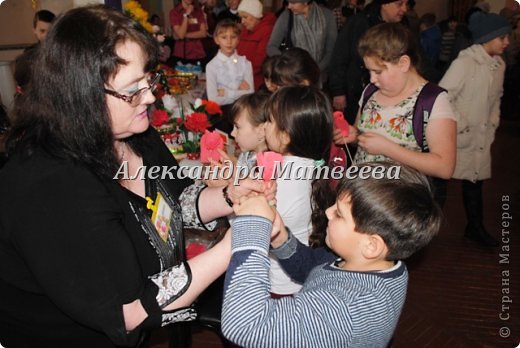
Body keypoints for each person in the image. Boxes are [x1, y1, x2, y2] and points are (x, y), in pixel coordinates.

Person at [0, 6, 274, 347]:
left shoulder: (134, 133)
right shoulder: (52, 183)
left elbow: (176, 200)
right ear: (82, 95)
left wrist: (230, 197)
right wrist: (242, 237)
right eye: (133, 89)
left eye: (149, 79)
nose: (150, 95)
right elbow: (131, 309)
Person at [221, 162, 442, 347]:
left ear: (371, 245)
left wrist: (253, 226)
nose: (327, 212)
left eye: (339, 214)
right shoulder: (374, 263)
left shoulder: (345, 310)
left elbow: (245, 324)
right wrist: (280, 239)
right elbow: (313, 270)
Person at [338, 23, 456, 202]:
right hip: (363, 195)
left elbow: (444, 167)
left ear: (403, 63)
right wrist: (354, 136)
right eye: (368, 71)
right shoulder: (371, 91)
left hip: (399, 204)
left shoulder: (432, 100)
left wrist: (388, 148)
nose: (372, 79)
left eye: (378, 71)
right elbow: (362, 138)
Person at [439, 12, 511, 247]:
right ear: (487, 38)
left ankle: (475, 227)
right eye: (502, 37)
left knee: (475, 182)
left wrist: (493, 121)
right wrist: (463, 123)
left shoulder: (499, 65)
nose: (507, 42)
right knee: (440, 183)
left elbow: (497, 97)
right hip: (457, 135)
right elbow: (443, 95)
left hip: (481, 136)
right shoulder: (465, 62)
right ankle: (425, 229)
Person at [263, 86, 334, 295]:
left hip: (282, 284)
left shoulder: (286, 179)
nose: (264, 126)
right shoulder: (310, 165)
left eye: (269, 120)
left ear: (285, 136)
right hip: (301, 274)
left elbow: (258, 228)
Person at [328, 0, 409, 125]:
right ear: (384, 3)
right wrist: (338, 90)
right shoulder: (358, 22)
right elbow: (340, 57)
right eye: (399, 4)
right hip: (356, 93)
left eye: (406, 4)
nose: (404, 9)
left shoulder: (405, 27)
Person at [266, 0, 337, 82]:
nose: (289, 6)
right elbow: (271, 47)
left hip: (320, 76)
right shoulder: (286, 16)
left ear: (306, 2)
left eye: (293, 3)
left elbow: (331, 50)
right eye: (288, 2)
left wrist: (315, 70)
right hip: (293, 77)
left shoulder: (327, 15)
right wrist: (289, 65)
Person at [205, 19, 254, 106]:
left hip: (242, 110)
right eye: (224, 37)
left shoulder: (245, 63)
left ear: (238, 39)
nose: (229, 42)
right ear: (216, 40)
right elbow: (213, 100)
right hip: (221, 113)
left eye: (233, 37)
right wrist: (239, 90)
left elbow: (250, 94)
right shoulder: (211, 66)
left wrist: (226, 93)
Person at [236, 0, 277, 90]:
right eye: (241, 18)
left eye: (245, 17)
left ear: (256, 16)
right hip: (239, 79)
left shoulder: (267, 30)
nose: (242, 21)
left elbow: (259, 60)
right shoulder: (245, 30)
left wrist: (240, 76)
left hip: (255, 82)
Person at [169, 0, 208, 65]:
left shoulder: (198, 11)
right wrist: (186, 14)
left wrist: (184, 35)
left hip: (197, 52)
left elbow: (203, 33)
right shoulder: (174, 12)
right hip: (181, 53)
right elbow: (181, 34)